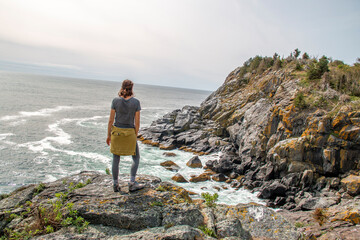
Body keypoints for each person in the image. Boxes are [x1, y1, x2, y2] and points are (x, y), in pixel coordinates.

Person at [106, 79, 144, 192]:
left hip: (117, 133)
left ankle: (115, 184)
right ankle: (132, 182)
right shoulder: (136, 102)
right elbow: (137, 123)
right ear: (132, 88)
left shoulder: (115, 101)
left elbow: (110, 121)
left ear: (122, 87)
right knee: (136, 157)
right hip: (129, 133)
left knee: (116, 158)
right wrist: (135, 136)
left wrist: (108, 136)